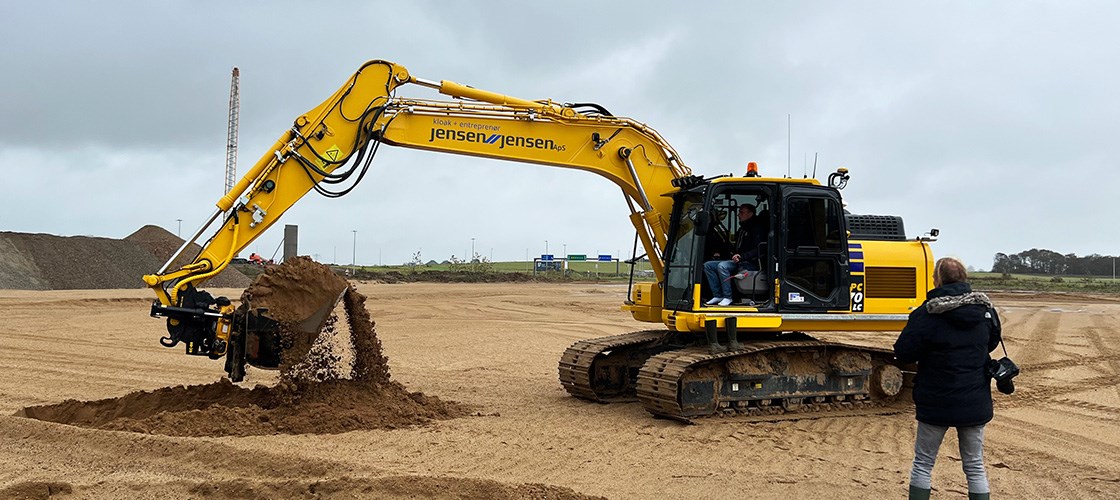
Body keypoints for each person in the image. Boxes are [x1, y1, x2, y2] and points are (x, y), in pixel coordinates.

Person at [894, 257, 1002, 500]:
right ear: (964, 278)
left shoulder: (926, 313)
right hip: (974, 399)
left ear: (937, 280)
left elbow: (903, 352)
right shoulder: (985, 310)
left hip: (935, 397)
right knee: (975, 465)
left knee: (923, 463)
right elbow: (992, 343)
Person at [703, 204, 764, 306]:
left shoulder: (756, 229)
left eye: (741, 212)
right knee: (708, 265)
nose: (738, 215)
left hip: (750, 262)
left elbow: (760, 249)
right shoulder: (742, 229)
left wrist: (742, 256)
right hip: (738, 260)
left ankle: (728, 297)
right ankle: (717, 295)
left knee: (722, 266)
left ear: (750, 213)